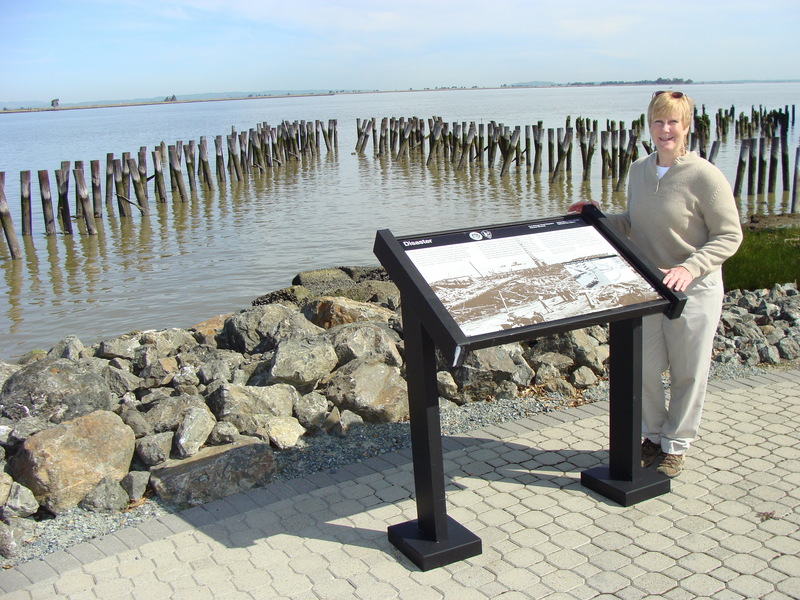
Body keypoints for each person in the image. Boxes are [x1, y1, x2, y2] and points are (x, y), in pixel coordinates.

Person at [568, 90, 743, 477]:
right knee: (644, 368)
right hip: (649, 287)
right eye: (659, 121)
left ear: (687, 126)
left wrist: (691, 267)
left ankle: (676, 445)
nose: (666, 129)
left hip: (694, 288)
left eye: (674, 122)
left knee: (687, 371)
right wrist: (596, 216)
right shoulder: (639, 170)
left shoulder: (705, 175)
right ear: (649, 125)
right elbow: (634, 222)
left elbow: (729, 235)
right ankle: (651, 435)